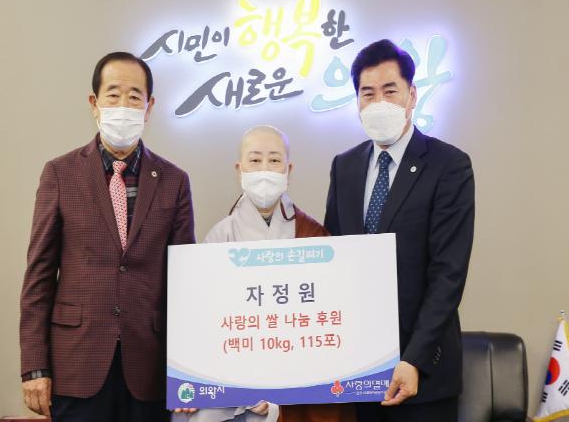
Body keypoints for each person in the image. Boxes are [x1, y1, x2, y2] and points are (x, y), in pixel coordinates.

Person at [19, 52, 195, 421]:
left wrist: (188, 370)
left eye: (134, 97)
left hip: (149, 369)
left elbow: (185, 285)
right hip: (77, 364)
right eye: (113, 95)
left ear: (149, 107)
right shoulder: (60, 173)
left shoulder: (174, 180)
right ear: (94, 103)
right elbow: (38, 277)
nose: (123, 105)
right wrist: (34, 367)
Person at [324, 39, 475, 422]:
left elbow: (448, 273)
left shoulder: (449, 165)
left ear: (412, 95)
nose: (379, 102)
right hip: (359, 370)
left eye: (390, 91)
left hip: (423, 374)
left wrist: (414, 359)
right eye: (368, 93)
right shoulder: (345, 166)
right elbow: (333, 259)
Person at [175, 125, 355, 422]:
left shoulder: (313, 236)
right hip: (231, 377)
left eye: (274, 160)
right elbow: (201, 318)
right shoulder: (220, 236)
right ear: (239, 169)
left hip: (294, 376)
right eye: (255, 160)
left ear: (288, 169)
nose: (264, 169)